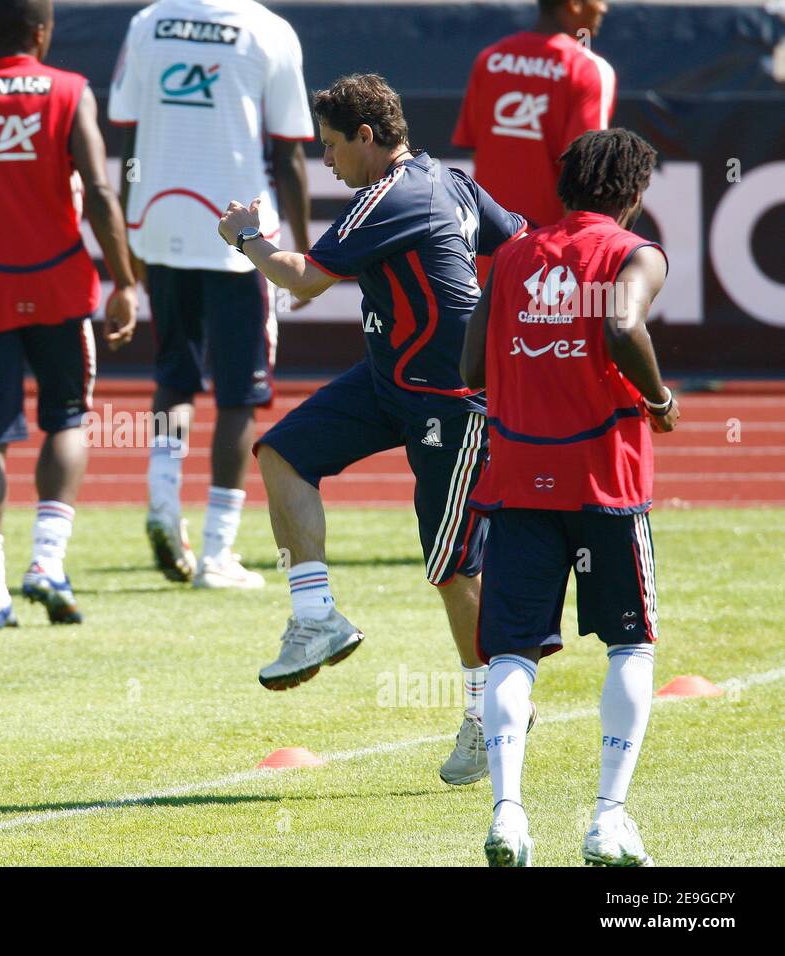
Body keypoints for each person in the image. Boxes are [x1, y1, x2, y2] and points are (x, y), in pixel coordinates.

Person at [216, 74, 527, 784]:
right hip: (391, 380)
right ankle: (315, 615)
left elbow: (300, 278)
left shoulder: (395, 195)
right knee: (283, 453)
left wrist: (246, 237)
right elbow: (520, 243)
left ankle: (490, 717)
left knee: (453, 568)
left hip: (448, 402)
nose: (325, 160)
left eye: (331, 146)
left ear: (367, 138)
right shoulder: (447, 180)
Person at [459, 128, 675, 867]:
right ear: (634, 192)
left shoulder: (513, 255)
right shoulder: (633, 254)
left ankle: (508, 814)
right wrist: (659, 397)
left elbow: (470, 363)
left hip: (520, 481)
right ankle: (608, 818)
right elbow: (623, 325)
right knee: (630, 643)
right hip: (605, 481)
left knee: (513, 652)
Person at [0, 0, 138, 629]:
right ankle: (47, 564)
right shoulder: (68, 90)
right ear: (43, 32)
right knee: (67, 419)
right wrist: (123, 278)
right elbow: (98, 190)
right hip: (60, 284)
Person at [109, 0, 313, 589]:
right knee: (239, 393)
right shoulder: (267, 30)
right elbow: (290, 151)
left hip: (160, 219)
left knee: (174, 378)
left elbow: (130, 136)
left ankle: (162, 505)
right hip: (238, 232)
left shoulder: (147, 22)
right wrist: (300, 248)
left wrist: (135, 228)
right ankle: (218, 552)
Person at [454, 0, 615, 232]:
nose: (603, 8)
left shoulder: (490, 59)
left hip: (487, 248)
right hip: (549, 255)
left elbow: (476, 151)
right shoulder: (589, 70)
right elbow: (587, 173)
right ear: (574, 5)